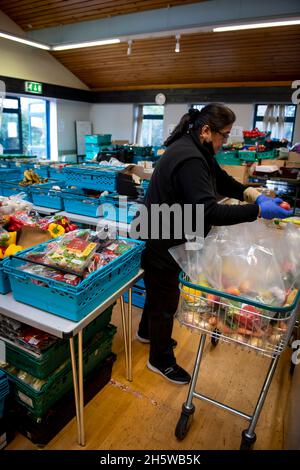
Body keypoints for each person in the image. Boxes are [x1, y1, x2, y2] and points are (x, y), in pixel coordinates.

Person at [136, 103, 293, 385]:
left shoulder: (195, 148)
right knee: (165, 299)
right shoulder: (190, 157)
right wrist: (257, 212)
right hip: (164, 234)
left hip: (162, 227)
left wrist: (252, 195)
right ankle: (159, 360)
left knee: (158, 289)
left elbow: (220, 179)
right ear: (207, 130)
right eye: (224, 135)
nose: (225, 142)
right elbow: (208, 211)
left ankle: (147, 333)